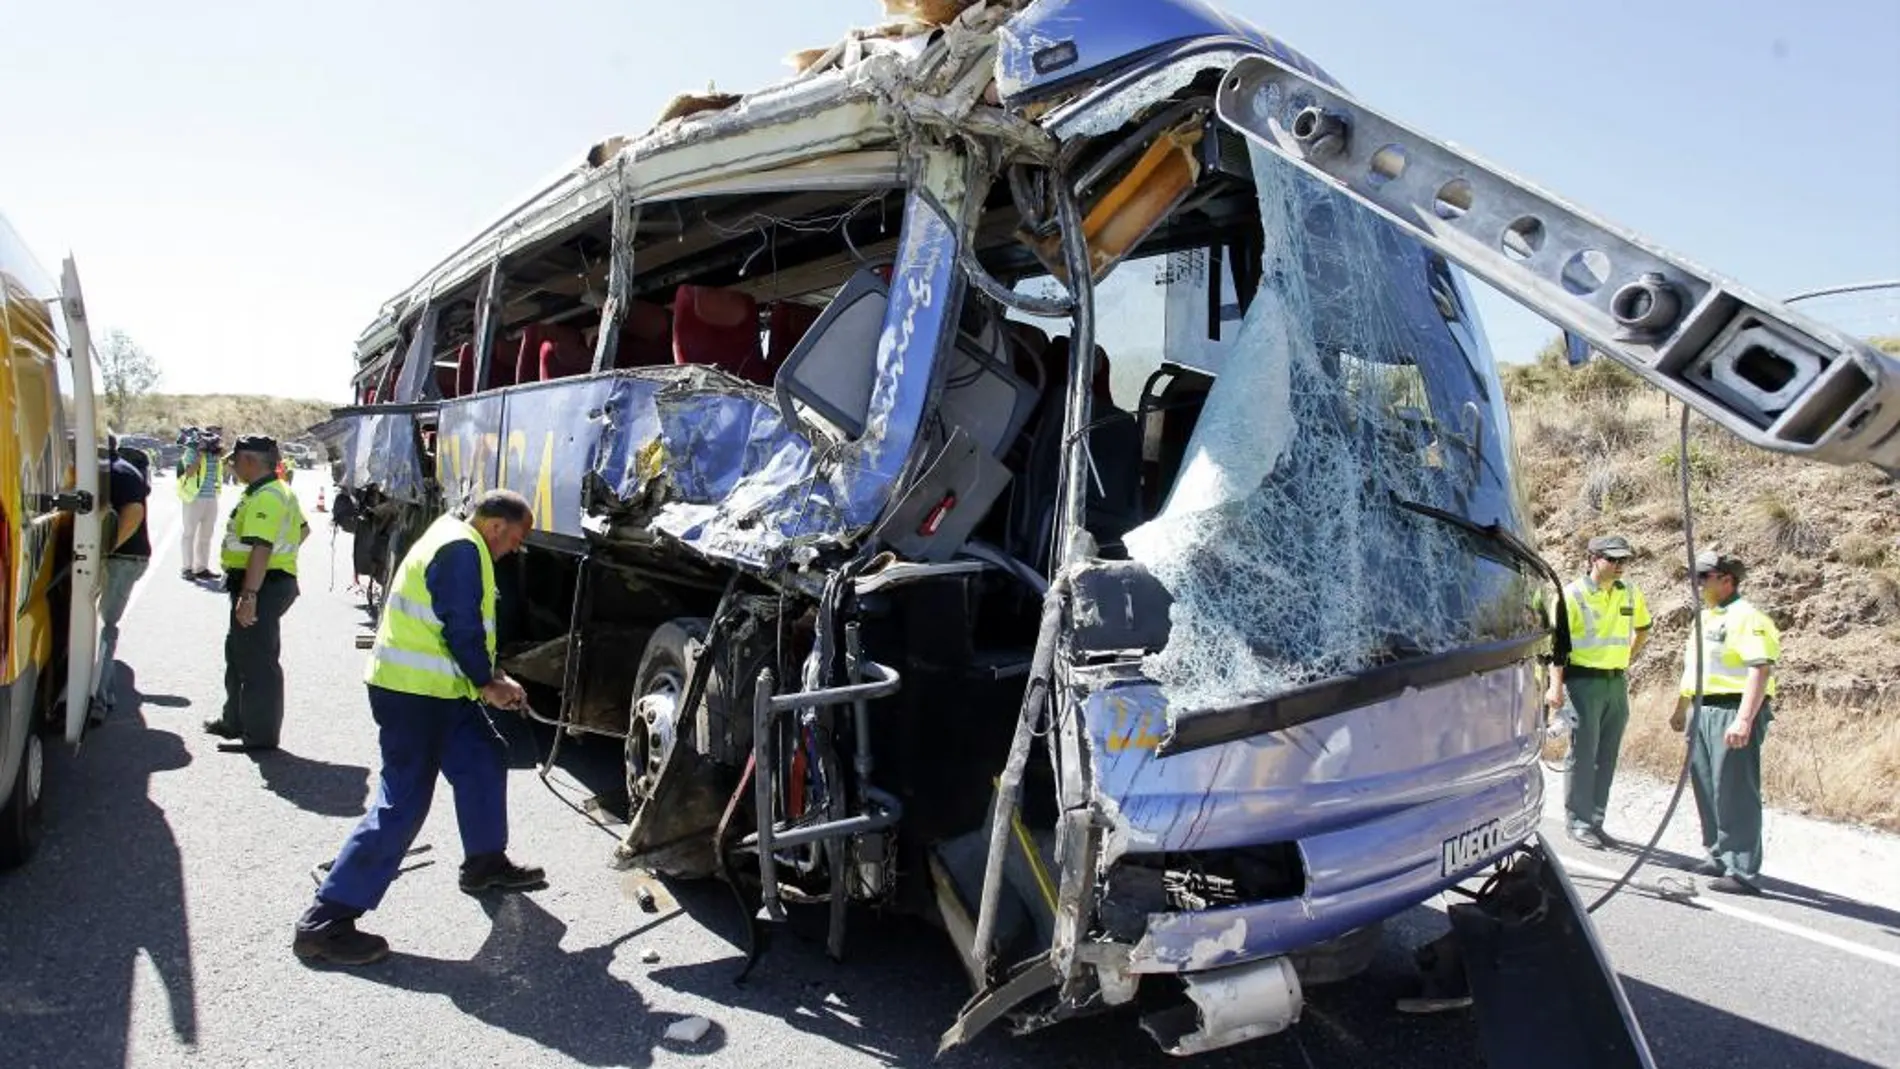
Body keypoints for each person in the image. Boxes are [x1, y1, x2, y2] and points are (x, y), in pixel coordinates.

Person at [293, 489, 545, 966]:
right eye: (514, 539)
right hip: (414, 695)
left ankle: (485, 863)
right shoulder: (460, 548)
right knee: (404, 800)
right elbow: (461, 626)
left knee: (484, 760)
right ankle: (325, 921)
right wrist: (489, 682)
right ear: (495, 526)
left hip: (441, 694)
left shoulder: (454, 536)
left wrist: (489, 679)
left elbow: (458, 628)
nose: (513, 549)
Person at [1672, 549, 1779, 895]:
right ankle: (1717, 854)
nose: (1698, 583)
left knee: (1734, 790)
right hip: (1701, 708)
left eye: (1705, 577)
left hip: (1731, 710)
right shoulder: (1706, 617)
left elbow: (1759, 669)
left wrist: (1744, 720)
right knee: (1706, 784)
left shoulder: (1747, 617)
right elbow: (1695, 667)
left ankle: (1742, 869)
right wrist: (1681, 707)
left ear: (1726, 580)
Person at [204, 436, 309, 753]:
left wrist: (250, 594)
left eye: (234, 460)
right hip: (264, 580)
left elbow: (261, 548)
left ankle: (261, 735)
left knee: (258, 660)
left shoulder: (267, 496)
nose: (232, 466)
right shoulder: (273, 491)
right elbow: (302, 530)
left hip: (261, 584)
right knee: (238, 652)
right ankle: (235, 720)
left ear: (250, 460)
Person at [1545, 534, 1650, 848]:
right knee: (1583, 753)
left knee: (1606, 755)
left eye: (1624, 560)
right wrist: (1555, 688)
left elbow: (1643, 629)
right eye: (1613, 559)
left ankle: (1595, 821)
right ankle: (1578, 822)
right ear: (1593, 559)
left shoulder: (1630, 592)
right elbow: (1557, 648)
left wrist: (1625, 659)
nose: (1620, 566)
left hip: (1615, 683)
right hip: (1582, 683)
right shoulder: (1571, 596)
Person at [94, 435, 152, 717]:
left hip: (123, 559)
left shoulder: (116, 473)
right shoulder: (120, 469)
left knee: (104, 625)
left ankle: (97, 699)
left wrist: (107, 549)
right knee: (98, 623)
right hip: (123, 558)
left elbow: (134, 512)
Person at [175, 426, 224, 581]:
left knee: (206, 536)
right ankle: (187, 568)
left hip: (211, 498)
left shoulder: (215, 455)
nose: (215, 439)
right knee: (189, 534)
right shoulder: (192, 451)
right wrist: (199, 455)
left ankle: (201, 567)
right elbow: (189, 473)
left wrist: (216, 454)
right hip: (193, 498)